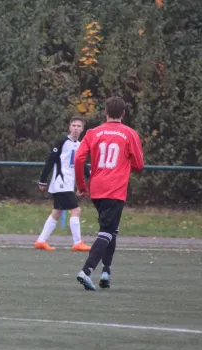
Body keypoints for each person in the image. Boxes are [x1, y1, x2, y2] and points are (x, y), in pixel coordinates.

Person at [73, 96, 144, 291]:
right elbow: (139, 165)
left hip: (97, 188)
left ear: (105, 112)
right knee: (106, 231)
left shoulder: (93, 132)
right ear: (123, 113)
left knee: (112, 229)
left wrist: (82, 185)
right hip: (115, 189)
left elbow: (79, 159)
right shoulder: (130, 134)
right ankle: (86, 271)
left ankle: (106, 271)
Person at [36, 116, 92, 252]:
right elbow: (50, 160)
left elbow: (81, 165)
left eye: (79, 126)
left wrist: (90, 177)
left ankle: (41, 241)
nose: (76, 128)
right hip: (60, 182)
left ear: (83, 129)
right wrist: (43, 179)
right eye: (74, 125)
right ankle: (77, 242)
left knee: (57, 212)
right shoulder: (61, 142)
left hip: (68, 184)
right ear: (69, 127)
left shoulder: (80, 145)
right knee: (76, 210)